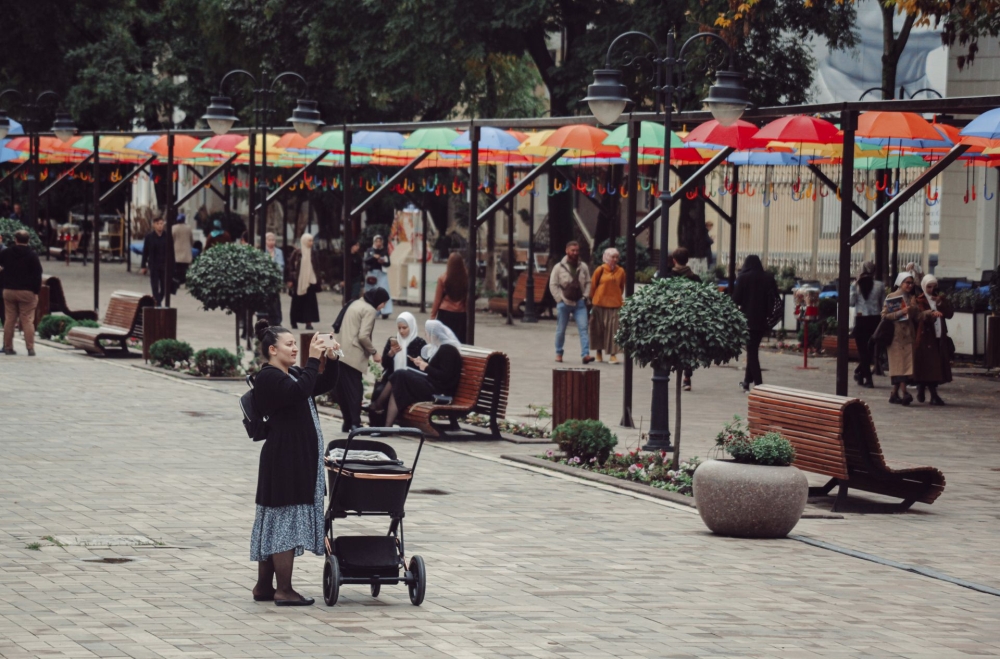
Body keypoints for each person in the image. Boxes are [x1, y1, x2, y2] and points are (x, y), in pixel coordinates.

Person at [250, 320, 340, 607]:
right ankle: (284, 589)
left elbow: (321, 384)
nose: (294, 349)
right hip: (285, 459)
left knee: (276, 521)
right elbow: (298, 393)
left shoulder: (292, 374)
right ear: (272, 349)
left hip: (293, 457)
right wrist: (313, 359)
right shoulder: (268, 377)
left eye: (294, 344)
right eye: (289, 344)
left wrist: (331, 359)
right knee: (283, 521)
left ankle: (264, 586)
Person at [371, 320, 464, 427]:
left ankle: (378, 405)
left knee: (400, 374)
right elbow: (437, 370)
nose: (425, 334)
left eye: (427, 332)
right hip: (433, 385)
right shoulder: (441, 347)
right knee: (399, 379)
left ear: (434, 334)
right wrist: (421, 363)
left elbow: (445, 376)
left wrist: (426, 367)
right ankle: (387, 426)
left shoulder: (448, 349)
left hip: (439, 391)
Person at [335, 287, 388, 432]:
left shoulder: (355, 303)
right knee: (355, 390)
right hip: (354, 353)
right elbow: (363, 336)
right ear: (378, 300)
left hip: (341, 351)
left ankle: (347, 422)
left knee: (343, 390)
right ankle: (355, 423)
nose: (383, 306)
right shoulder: (369, 310)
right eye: (383, 303)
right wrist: (374, 352)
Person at [368, 312, 426, 426]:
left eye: (404, 328)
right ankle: (378, 425)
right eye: (399, 328)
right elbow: (385, 365)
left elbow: (422, 368)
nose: (401, 331)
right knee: (381, 390)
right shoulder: (393, 340)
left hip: (410, 382)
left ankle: (384, 423)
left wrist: (417, 361)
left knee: (396, 389)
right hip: (392, 378)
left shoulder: (419, 343)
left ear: (411, 326)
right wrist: (391, 354)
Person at [733, 255, 778, 392]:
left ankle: (759, 385)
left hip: (747, 320)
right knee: (752, 350)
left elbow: (736, 299)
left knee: (752, 353)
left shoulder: (743, 278)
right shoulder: (768, 278)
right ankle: (747, 381)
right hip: (763, 320)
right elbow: (775, 298)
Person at [549, 241, 595, 364]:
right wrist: (559, 299)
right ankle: (559, 353)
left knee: (583, 328)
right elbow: (553, 284)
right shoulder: (558, 267)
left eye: (577, 250)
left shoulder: (583, 266)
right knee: (561, 330)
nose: (575, 253)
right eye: (572, 250)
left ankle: (585, 355)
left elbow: (588, 282)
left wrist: (585, 296)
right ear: (567, 251)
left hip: (579, 303)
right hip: (564, 302)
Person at [912, 274, 953, 405]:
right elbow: (918, 315)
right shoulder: (919, 300)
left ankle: (923, 387)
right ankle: (933, 394)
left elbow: (949, 314)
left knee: (935, 365)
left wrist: (940, 303)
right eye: (929, 287)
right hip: (926, 336)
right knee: (929, 365)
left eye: (934, 287)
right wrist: (930, 313)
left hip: (939, 334)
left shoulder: (939, 299)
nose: (931, 289)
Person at [0, 230, 43, 356]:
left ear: (15, 239)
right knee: (27, 320)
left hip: (9, 291)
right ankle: (30, 348)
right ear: (28, 240)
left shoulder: (6, 253)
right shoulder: (32, 255)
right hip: (27, 292)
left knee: (9, 319)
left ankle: (8, 347)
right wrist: (36, 291)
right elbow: (38, 274)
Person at [882, 272, 918, 405]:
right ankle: (905, 393)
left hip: (908, 336)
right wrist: (900, 312)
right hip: (896, 336)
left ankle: (894, 394)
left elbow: (917, 316)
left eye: (911, 283)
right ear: (900, 283)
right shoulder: (892, 296)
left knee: (903, 366)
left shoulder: (911, 298)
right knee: (900, 365)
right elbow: (884, 315)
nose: (910, 285)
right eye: (907, 282)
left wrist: (929, 313)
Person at [849, 261, 886, 388]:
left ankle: (866, 377)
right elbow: (883, 304)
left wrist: (853, 288)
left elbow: (851, 302)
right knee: (870, 350)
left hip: (861, 319)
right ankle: (861, 373)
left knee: (862, 350)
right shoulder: (880, 285)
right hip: (875, 319)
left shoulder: (856, 285)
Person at [671, 247, 703, 390]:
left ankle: (668, 371)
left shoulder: (668, 277)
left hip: (672, 318)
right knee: (688, 347)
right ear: (687, 260)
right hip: (690, 318)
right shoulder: (695, 278)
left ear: (674, 260)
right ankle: (687, 378)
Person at [589, 247, 625, 364]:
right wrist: (593, 299)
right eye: (612, 257)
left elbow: (621, 287)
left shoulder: (621, 271)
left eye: (617, 257)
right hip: (599, 304)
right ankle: (598, 352)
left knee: (613, 330)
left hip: (615, 304)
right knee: (598, 329)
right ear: (606, 258)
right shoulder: (600, 270)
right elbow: (593, 286)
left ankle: (613, 355)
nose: (615, 259)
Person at [430, 252, 468, 343]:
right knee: (460, 343)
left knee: (444, 343)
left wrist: (432, 317)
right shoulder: (466, 278)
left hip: (445, 314)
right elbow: (467, 300)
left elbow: (437, 300)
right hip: (461, 315)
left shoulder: (443, 278)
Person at [286, 233, 320, 330]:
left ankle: (308, 322)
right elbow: (290, 266)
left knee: (309, 303)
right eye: (309, 241)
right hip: (298, 281)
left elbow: (317, 267)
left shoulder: (313, 253)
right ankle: (294, 321)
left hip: (310, 281)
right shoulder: (297, 253)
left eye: (312, 240)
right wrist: (290, 279)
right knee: (297, 303)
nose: (311, 243)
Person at [140, 217, 170, 306]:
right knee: (155, 286)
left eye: (161, 223)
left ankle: (157, 301)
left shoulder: (167, 236)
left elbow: (171, 252)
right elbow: (145, 252)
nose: (160, 226)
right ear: (154, 225)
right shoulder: (149, 237)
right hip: (154, 265)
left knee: (164, 287)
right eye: (158, 224)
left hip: (164, 265)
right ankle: (158, 304)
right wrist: (143, 266)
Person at [363, 235, 393, 319]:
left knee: (385, 290)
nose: (378, 243)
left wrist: (382, 262)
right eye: (377, 241)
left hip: (382, 273)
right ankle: (372, 310)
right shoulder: (370, 250)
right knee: (371, 292)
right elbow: (366, 260)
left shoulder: (384, 251)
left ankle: (386, 311)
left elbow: (388, 263)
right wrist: (373, 257)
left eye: (380, 241)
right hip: (372, 273)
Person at [264, 232, 285, 326]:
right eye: (269, 240)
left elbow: (281, 265)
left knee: (276, 301)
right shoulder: (263, 251)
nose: (271, 242)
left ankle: (277, 320)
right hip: (266, 279)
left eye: (273, 240)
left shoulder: (279, 252)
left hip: (276, 279)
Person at [171, 213, 194, 293]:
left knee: (177, 269)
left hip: (176, 251)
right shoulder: (188, 228)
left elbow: (171, 239)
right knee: (185, 268)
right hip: (186, 252)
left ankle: (177, 283)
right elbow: (191, 240)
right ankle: (184, 282)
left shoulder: (173, 228)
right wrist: (191, 245)